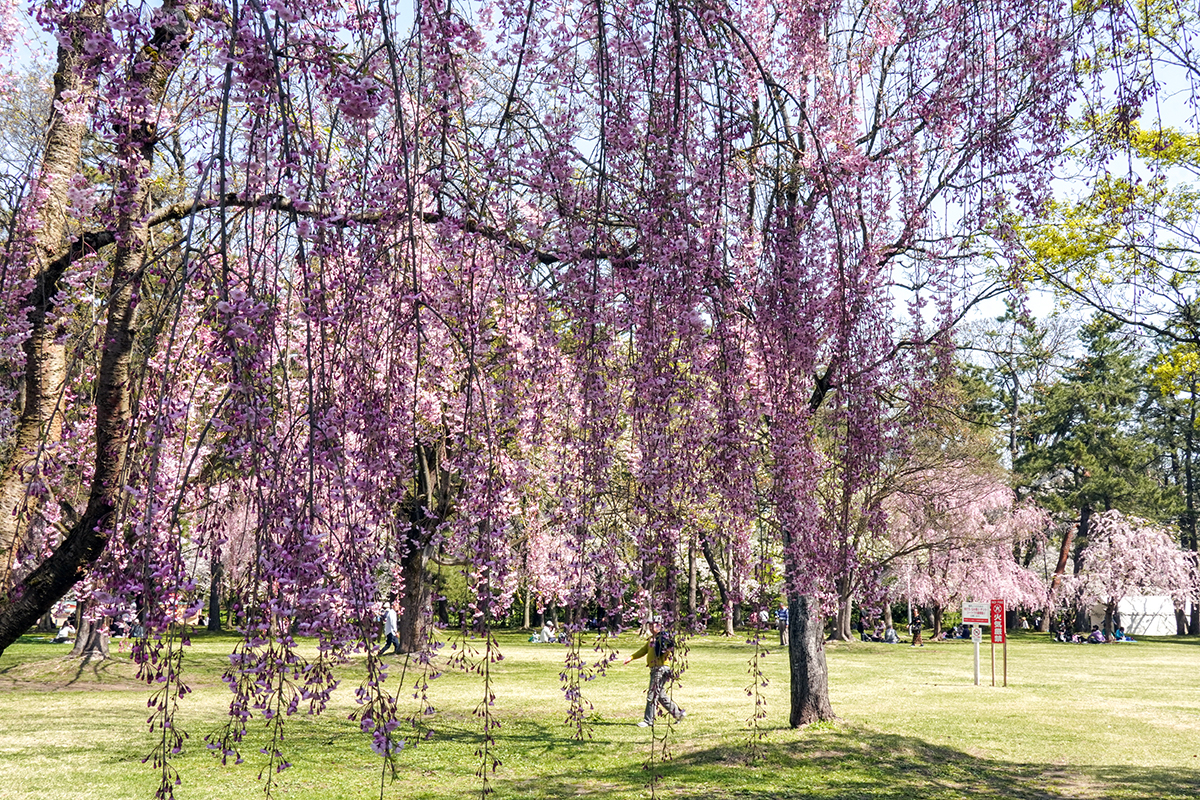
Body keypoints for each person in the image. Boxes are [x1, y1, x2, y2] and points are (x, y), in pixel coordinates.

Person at [623, 622, 685, 727]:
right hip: (655, 668)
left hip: (660, 668)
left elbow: (668, 649)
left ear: (660, 626)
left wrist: (663, 652)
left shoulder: (663, 637)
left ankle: (648, 721)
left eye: (654, 626)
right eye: (650, 626)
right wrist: (631, 657)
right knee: (661, 695)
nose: (652, 628)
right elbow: (644, 650)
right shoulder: (652, 639)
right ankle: (678, 714)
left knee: (652, 694)